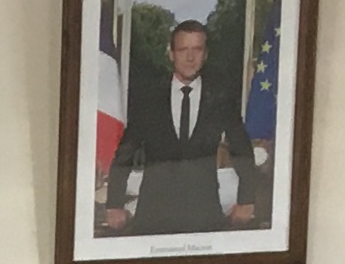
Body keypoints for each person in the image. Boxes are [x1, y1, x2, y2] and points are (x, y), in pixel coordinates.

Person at [111, 17, 264, 233]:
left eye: (197, 49)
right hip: (153, 215)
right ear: (171, 54)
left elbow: (241, 149)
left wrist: (247, 200)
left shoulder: (220, 97)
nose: (190, 57)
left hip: (204, 215)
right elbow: (126, 152)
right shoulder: (149, 97)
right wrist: (114, 204)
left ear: (205, 54)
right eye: (183, 49)